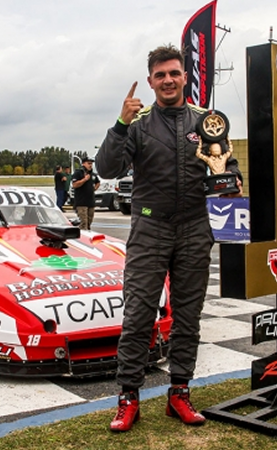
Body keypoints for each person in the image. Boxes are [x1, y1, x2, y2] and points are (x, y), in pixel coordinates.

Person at [96, 44, 242, 432]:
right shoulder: (139, 123)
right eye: (160, 75)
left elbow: (228, 165)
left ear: (184, 77)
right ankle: (128, 398)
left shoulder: (206, 121)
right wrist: (120, 123)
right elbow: (106, 167)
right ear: (150, 81)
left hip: (195, 228)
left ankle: (180, 393)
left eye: (174, 73)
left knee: (188, 317)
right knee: (138, 315)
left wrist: (232, 181)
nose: (168, 80)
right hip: (149, 229)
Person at [70, 157, 100, 230]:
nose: (90, 165)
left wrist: (94, 188)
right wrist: (84, 180)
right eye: (88, 163)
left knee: (89, 222)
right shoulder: (78, 173)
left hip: (90, 202)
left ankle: (87, 235)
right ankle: (82, 237)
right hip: (81, 203)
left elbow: (98, 182)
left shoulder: (92, 174)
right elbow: (74, 185)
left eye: (91, 164)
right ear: (83, 164)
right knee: (83, 223)